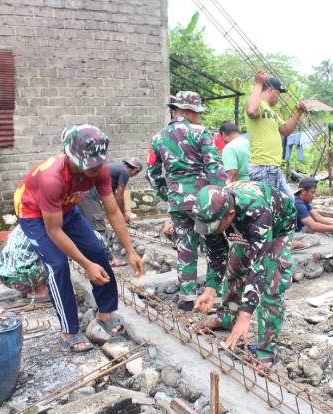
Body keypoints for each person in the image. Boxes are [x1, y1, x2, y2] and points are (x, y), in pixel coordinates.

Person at [14, 124, 144, 352]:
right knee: (58, 264)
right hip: (33, 212)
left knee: (97, 250)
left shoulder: (100, 170)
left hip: (67, 207)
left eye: (99, 162)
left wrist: (131, 251)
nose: (96, 168)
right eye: (90, 164)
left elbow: (113, 211)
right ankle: (69, 330)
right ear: (71, 156)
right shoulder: (51, 178)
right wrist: (85, 265)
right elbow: (54, 230)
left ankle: (105, 313)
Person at [191, 182, 296, 367]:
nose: (211, 232)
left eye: (214, 227)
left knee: (272, 282)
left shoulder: (257, 210)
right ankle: (226, 318)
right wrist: (210, 290)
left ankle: (266, 350)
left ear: (230, 215)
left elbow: (259, 266)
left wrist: (245, 316)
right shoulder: (212, 214)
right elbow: (216, 253)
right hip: (245, 225)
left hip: (278, 227)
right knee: (235, 267)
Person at [147, 91, 229, 311]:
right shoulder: (201, 133)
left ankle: (187, 297)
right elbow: (214, 167)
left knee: (185, 248)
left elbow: (152, 174)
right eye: (198, 113)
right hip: (203, 201)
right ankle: (216, 295)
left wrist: (169, 195)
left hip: (177, 202)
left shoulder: (158, 137)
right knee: (216, 246)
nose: (199, 117)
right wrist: (224, 197)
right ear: (189, 111)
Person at [245, 70, 308, 199]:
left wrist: (298, 112)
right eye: (279, 93)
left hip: (273, 167)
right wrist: (258, 83)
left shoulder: (271, 112)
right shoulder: (256, 104)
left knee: (289, 202)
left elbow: (285, 129)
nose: (278, 97)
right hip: (263, 166)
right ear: (272, 91)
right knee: (269, 207)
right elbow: (251, 111)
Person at [77, 157, 143, 266]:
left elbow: (109, 196)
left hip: (82, 194)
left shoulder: (115, 168)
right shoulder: (124, 172)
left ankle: (84, 256)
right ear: (136, 171)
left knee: (85, 226)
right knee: (99, 228)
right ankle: (109, 260)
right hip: (89, 196)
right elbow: (119, 196)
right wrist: (123, 215)